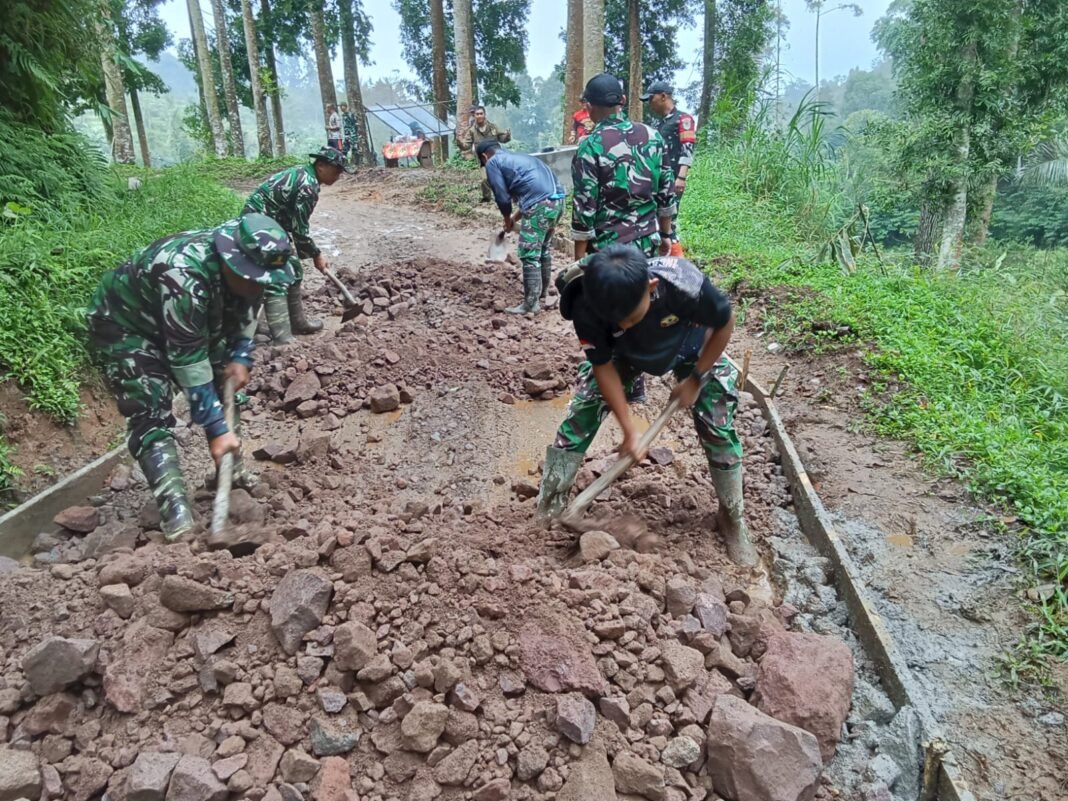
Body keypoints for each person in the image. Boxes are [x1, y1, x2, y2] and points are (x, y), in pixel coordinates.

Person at [536, 245, 757, 566]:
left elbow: (725, 322)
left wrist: (696, 378)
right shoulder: (586, 301)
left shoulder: (684, 287)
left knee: (716, 423)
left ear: (651, 288)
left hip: (691, 346)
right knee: (583, 409)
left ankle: (732, 517)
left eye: (629, 317)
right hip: (624, 355)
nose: (623, 325)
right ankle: (551, 504)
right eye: (614, 321)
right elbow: (602, 365)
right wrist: (629, 430)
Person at [86, 214, 295, 541]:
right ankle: (175, 512)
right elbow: (189, 362)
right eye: (253, 277)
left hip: (190, 319)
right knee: (149, 406)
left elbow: (247, 306)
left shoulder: (246, 274)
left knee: (226, 384)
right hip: (129, 325)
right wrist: (216, 429)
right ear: (232, 261)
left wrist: (239, 355)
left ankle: (232, 471)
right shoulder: (181, 274)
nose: (259, 285)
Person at [243, 147, 350, 343]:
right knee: (282, 272)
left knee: (291, 269)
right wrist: (316, 254)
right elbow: (300, 230)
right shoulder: (308, 186)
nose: (338, 176)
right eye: (336, 170)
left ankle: (293, 323)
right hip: (260, 227)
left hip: (261, 224)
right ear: (321, 165)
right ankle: (283, 337)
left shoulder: (304, 174)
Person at [571, 73, 676, 261]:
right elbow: (666, 193)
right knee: (645, 281)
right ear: (624, 100)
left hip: (608, 252)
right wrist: (666, 234)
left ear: (588, 106)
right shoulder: (653, 136)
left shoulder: (590, 146)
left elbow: (584, 208)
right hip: (648, 244)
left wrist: (579, 260)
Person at [478, 140, 566, 314]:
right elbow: (533, 193)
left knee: (529, 253)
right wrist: (513, 219)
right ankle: (542, 294)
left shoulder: (493, 162)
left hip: (540, 205)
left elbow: (502, 197)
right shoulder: (518, 158)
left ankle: (531, 303)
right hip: (558, 202)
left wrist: (506, 218)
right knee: (543, 248)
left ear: (484, 156)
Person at [641, 81, 697, 257]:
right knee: (659, 221)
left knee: (669, 222)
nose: (650, 104)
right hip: (659, 180)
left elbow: (687, 149)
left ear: (663, 96)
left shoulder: (683, 119)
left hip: (673, 179)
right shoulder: (662, 123)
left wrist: (681, 177)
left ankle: (678, 263)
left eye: (651, 99)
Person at [458, 106, 512, 202]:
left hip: (496, 157)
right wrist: (459, 142)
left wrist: (507, 136)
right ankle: (487, 198)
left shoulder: (493, 127)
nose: (479, 116)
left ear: (484, 115)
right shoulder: (472, 131)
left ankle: (506, 195)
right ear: (474, 116)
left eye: (481, 114)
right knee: (484, 179)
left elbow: (502, 139)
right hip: (483, 160)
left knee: (502, 176)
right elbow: (466, 146)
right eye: (477, 114)